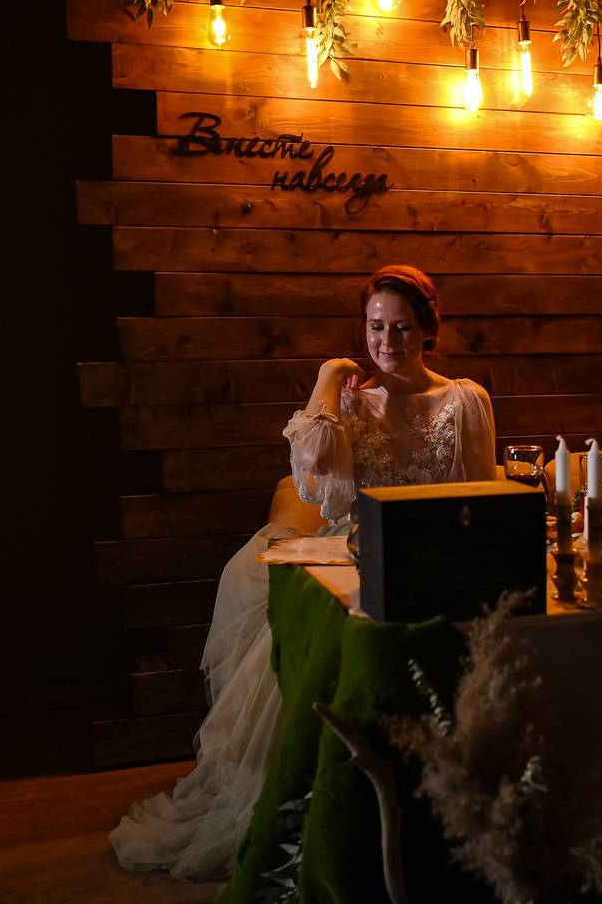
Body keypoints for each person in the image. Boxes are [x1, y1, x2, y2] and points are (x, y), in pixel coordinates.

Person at [110, 265, 497, 878]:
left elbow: (481, 494)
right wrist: (327, 378)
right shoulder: (349, 406)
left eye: (401, 328)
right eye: (375, 327)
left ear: (428, 330)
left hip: (437, 559)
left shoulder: (465, 400)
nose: (387, 342)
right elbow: (314, 475)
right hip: (358, 557)